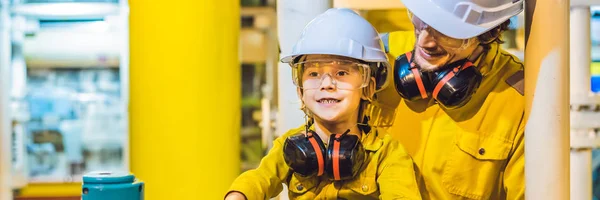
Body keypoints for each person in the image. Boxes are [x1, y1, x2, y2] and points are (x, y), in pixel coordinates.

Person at [224, 8, 422, 200]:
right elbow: (260, 178)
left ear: (368, 88)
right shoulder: (289, 145)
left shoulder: (387, 153)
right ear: (300, 91)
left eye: (342, 73)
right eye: (313, 74)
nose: (326, 84)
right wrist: (239, 195)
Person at [371, 0, 526, 199]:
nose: (424, 41)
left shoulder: (519, 101)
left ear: (490, 33)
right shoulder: (379, 54)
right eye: (422, 19)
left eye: (447, 32)